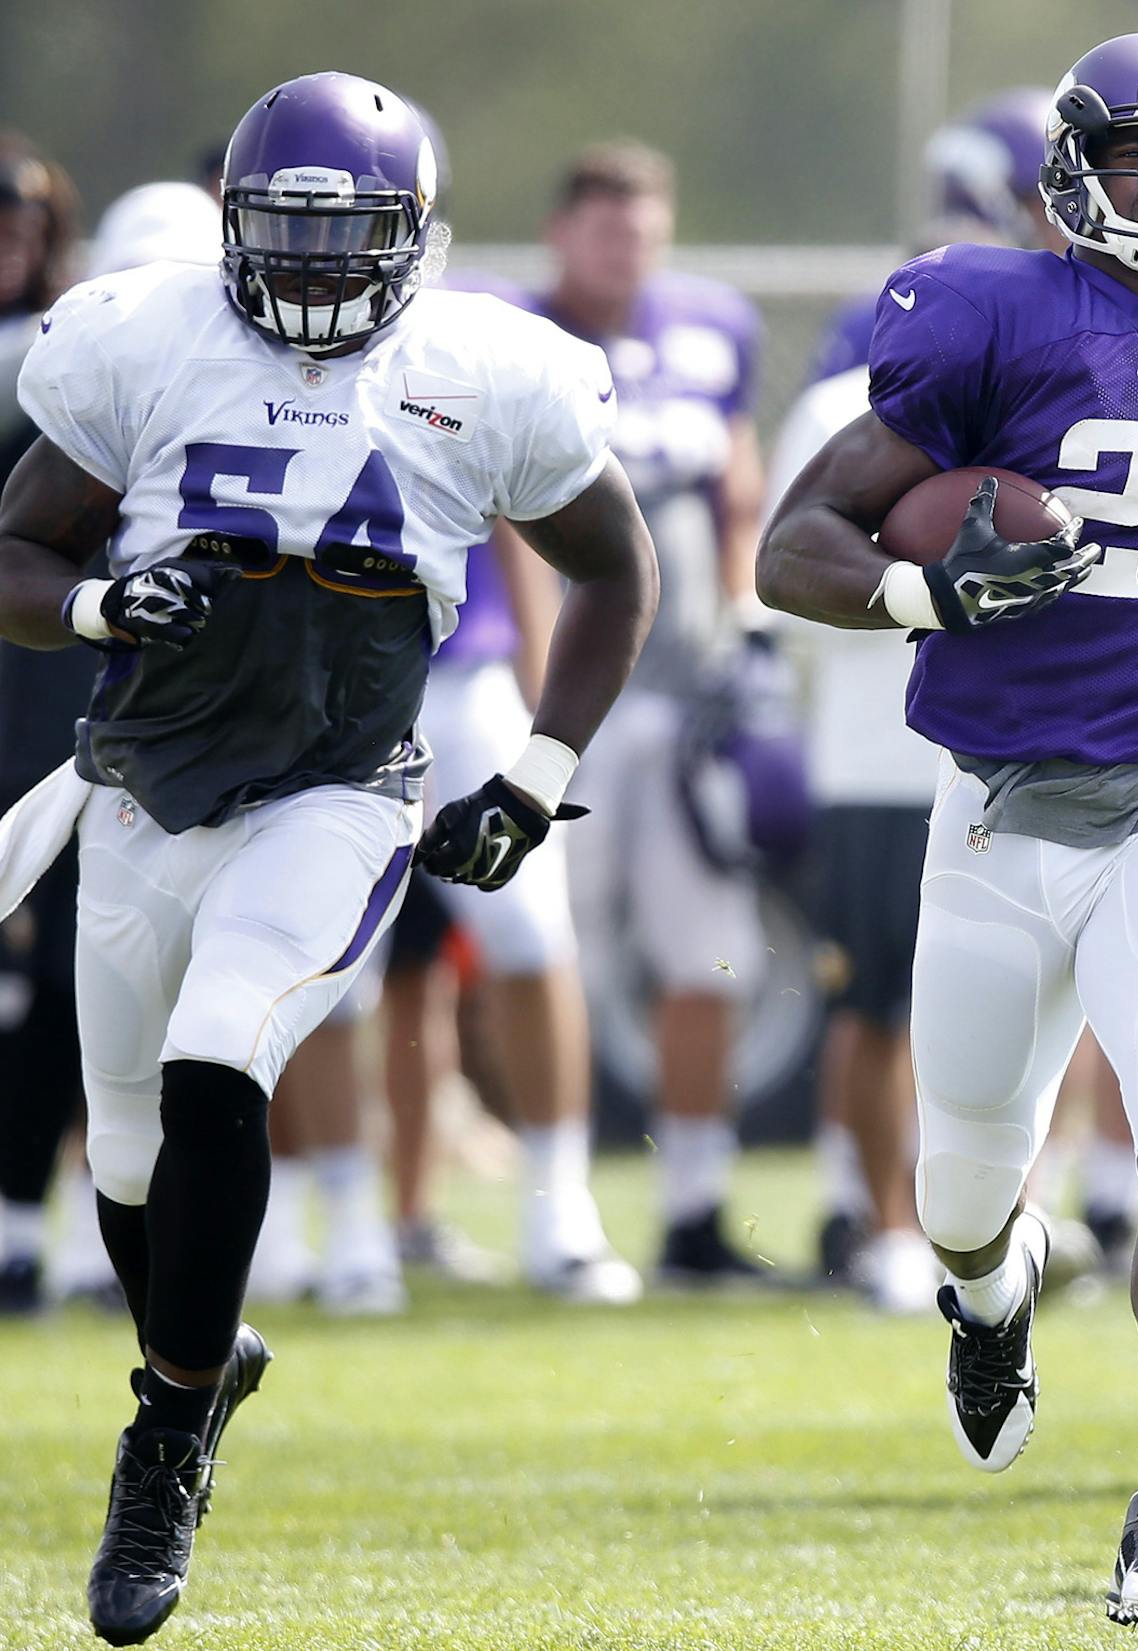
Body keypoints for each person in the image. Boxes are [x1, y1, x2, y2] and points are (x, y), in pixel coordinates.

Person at [0, 72, 656, 1642]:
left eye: (342, 232)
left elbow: (617, 575)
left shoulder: (484, 368)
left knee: (227, 1050)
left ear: (412, 238)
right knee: (128, 1164)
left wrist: (539, 770)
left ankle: (162, 1442)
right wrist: (96, 607)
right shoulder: (142, 336)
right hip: (147, 788)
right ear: (232, 227)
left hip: (339, 792)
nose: (307, 265)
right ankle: (202, 1358)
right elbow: (17, 546)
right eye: (283, 231)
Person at [758, 31, 1138, 1641]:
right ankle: (990, 1292)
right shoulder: (989, 311)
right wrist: (925, 589)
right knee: (961, 1187)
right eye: (1136, 157)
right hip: (1001, 807)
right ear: (1070, 171)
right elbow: (789, 542)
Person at [785, 89, 1053, 1308]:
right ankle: (881, 1216)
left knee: (1005, 1002)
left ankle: (987, 1215)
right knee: (886, 1000)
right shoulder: (855, 404)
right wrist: (927, 593)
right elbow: (789, 567)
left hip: (1008, 747)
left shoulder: (1047, 399)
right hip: (884, 745)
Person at [507, 142, 772, 1286]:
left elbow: (737, 488)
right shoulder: (513, 342)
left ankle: (694, 1207)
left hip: (685, 705)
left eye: (646, 229)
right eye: (608, 227)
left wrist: (749, 624)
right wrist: (536, 703)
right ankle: (548, 1211)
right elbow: (503, 523)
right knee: (548, 952)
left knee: (710, 958)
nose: (629, 249)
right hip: (571, 711)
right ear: (562, 231)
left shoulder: (712, 331)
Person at [0, 133, 91, 1314]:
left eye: (25, 214)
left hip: (43, 691)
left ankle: (25, 1221)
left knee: (73, 970)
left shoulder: (74, 353)